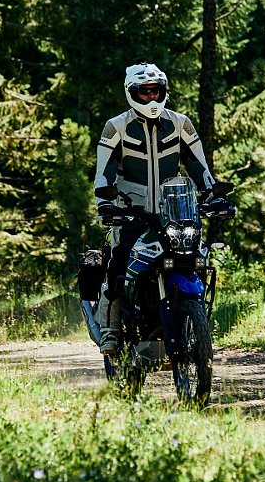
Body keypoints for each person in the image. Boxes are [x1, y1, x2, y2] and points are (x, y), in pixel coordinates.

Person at [92, 62, 218, 354]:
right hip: (130, 211)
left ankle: (192, 322)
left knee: (195, 259)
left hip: (174, 211)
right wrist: (105, 203)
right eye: (143, 92)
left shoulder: (179, 124)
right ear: (131, 93)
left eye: (155, 91)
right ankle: (110, 328)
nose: (150, 98)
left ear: (164, 92)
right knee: (119, 261)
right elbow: (104, 172)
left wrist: (212, 195)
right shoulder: (116, 126)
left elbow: (199, 166)